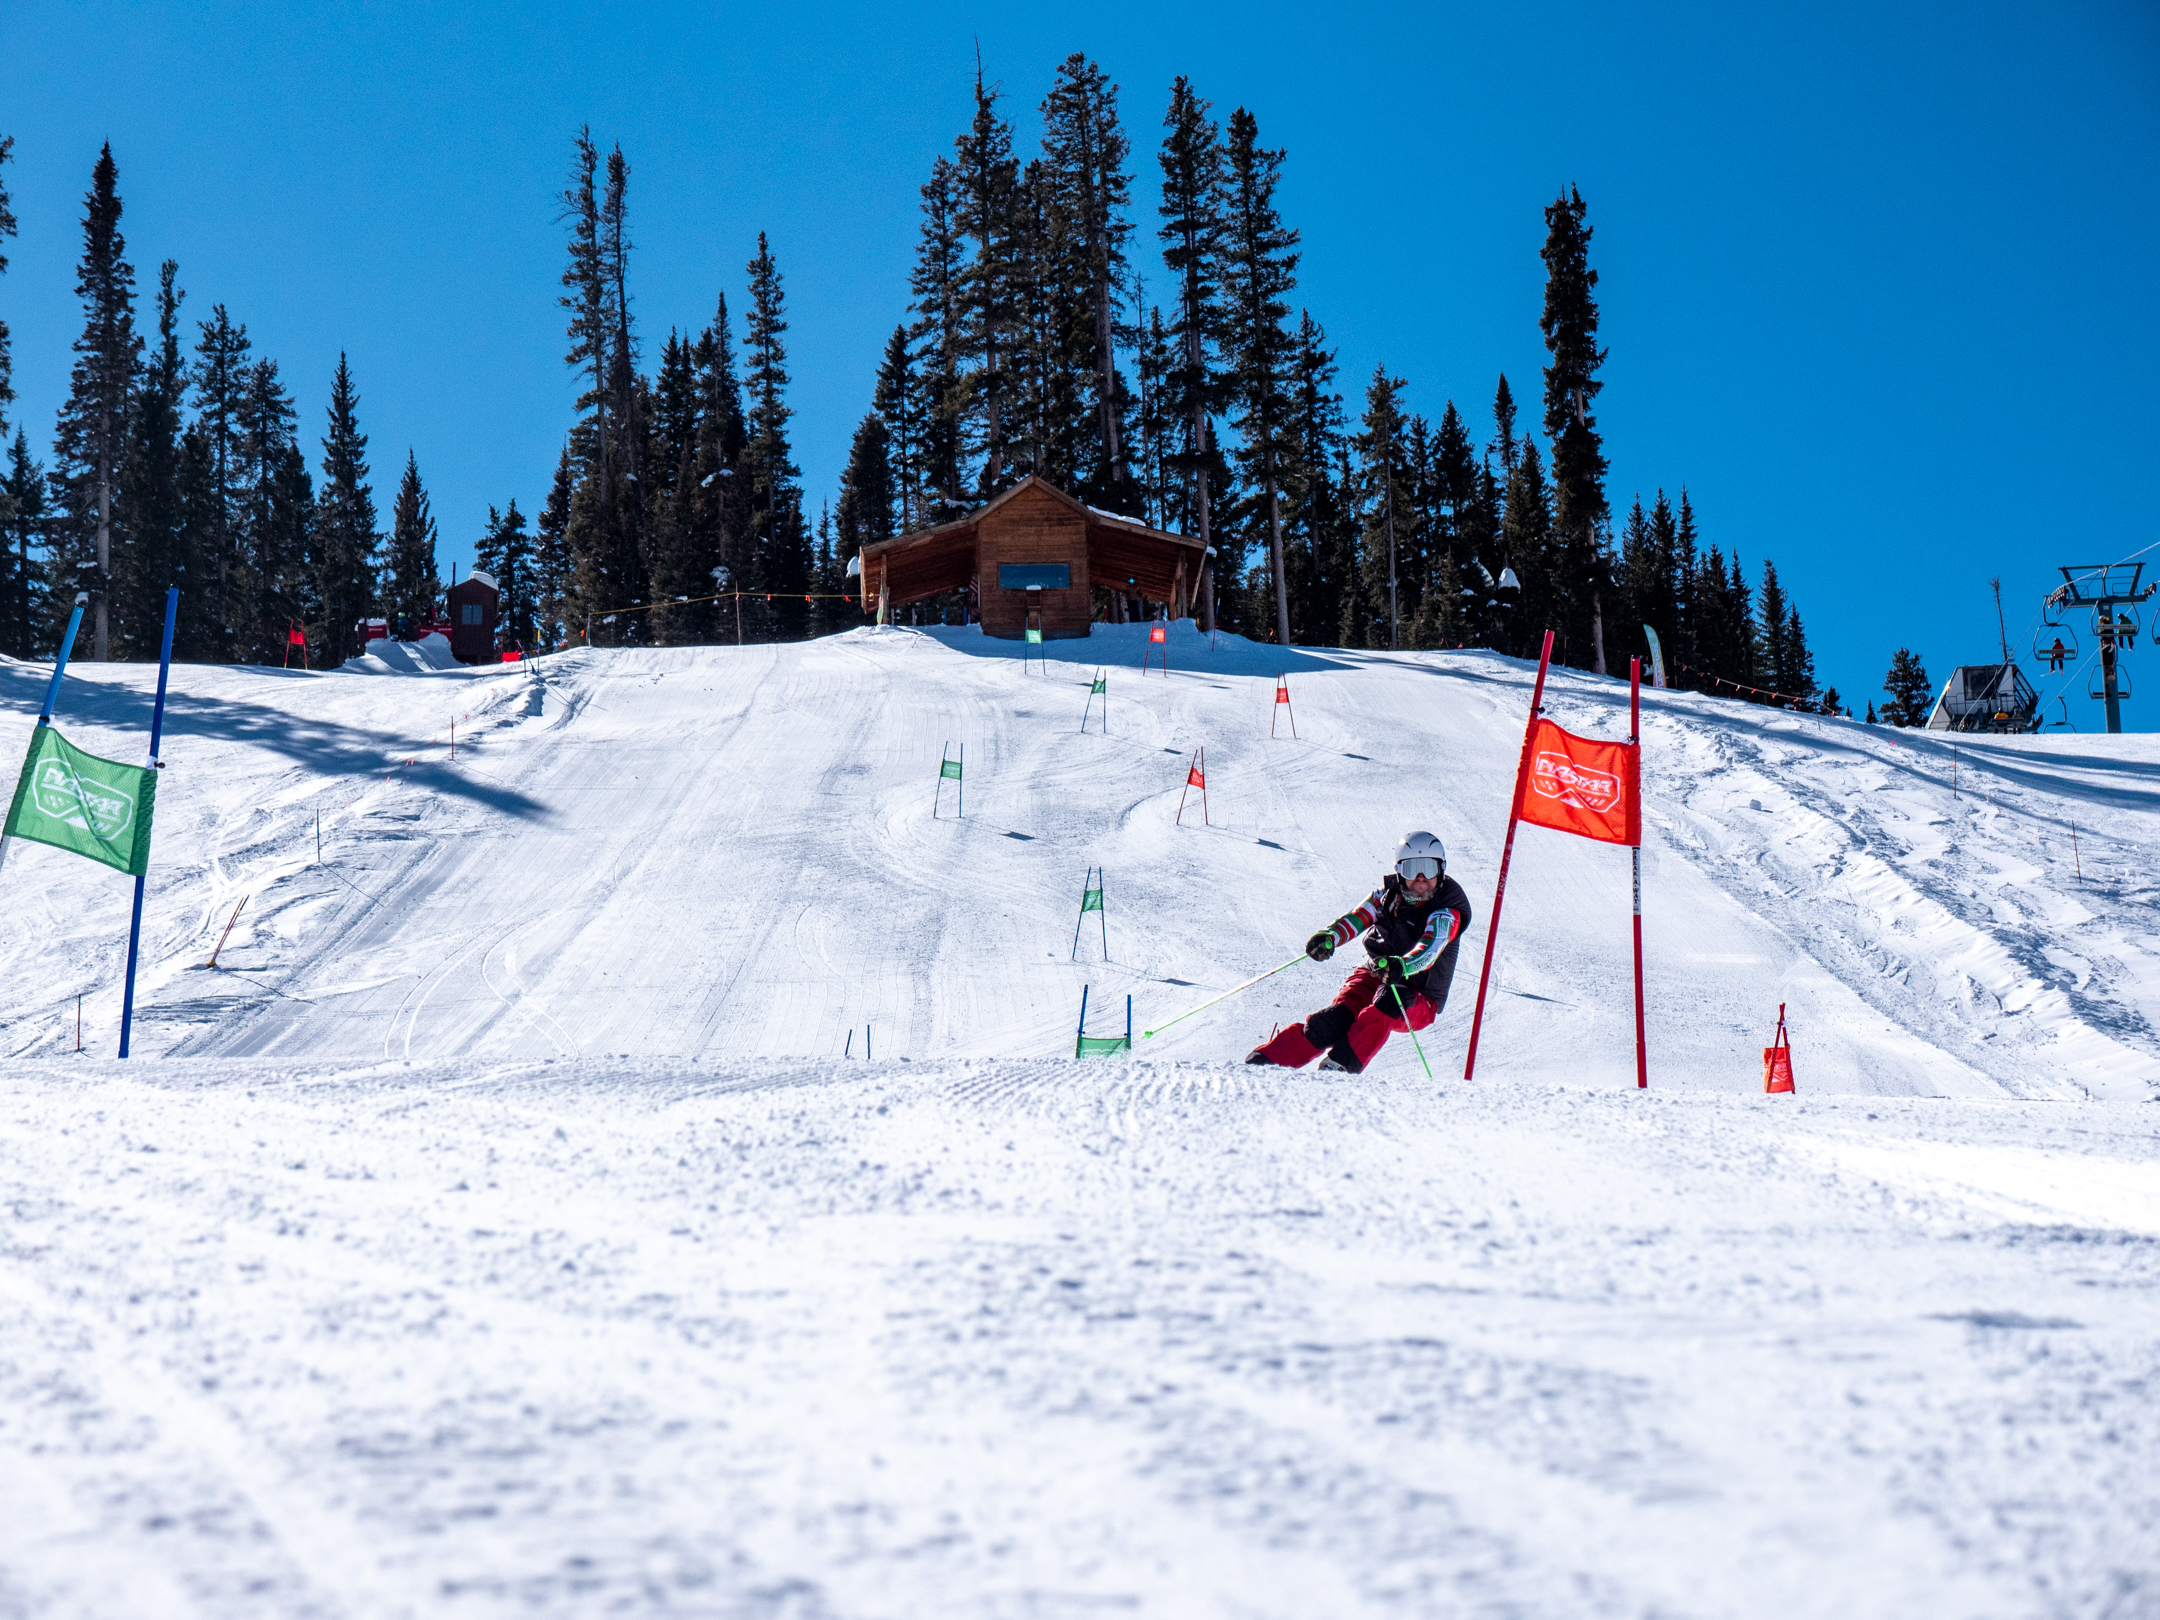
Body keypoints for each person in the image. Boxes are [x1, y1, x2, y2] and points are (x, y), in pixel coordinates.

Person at [1246, 832, 1473, 1073]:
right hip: (1376, 974)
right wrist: (1329, 937)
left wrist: (1402, 965)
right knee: (1337, 1018)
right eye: (1411, 869)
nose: (1420, 878)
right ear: (1399, 872)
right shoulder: (1386, 897)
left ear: (1441, 870)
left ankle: (1340, 1066)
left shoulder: (1446, 912)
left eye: (1428, 868)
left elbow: (1430, 948)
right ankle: (1267, 1062)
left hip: (1420, 994)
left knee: (1388, 1003)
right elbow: (1357, 919)